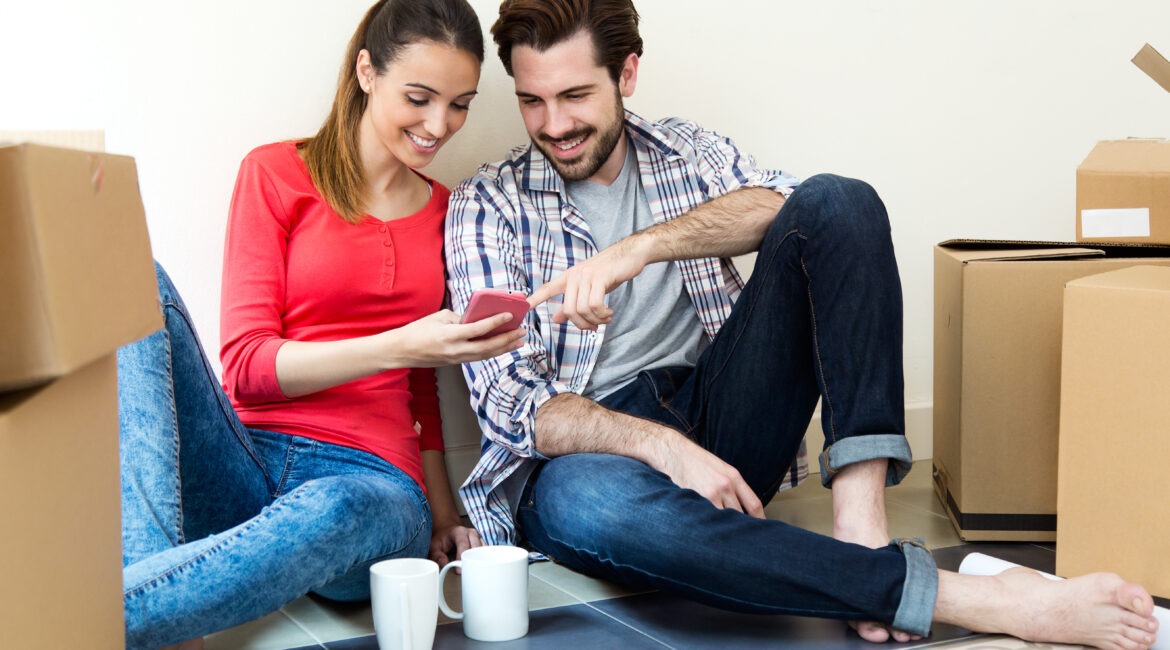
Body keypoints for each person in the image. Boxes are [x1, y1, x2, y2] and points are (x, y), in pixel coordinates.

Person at [443, 1, 1161, 648]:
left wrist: (642, 247)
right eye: (532, 101)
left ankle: (862, 525)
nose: (554, 125)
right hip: (594, 458)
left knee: (841, 200)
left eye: (575, 96)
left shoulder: (685, 151)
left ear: (626, 74)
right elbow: (513, 405)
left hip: (718, 412)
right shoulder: (488, 204)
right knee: (592, 508)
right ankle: (968, 598)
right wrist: (664, 449)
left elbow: (793, 207)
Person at [115, 1, 526, 648]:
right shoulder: (274, 173)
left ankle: (109, 616)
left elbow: (422, 392)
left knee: (335, 506)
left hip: (373, 487)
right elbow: (248, 371)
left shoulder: (445, 212)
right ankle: (159, 608)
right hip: (248, 460)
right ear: (367, 71)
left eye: (459, 105)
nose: (438, 125)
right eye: (419, 98)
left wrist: (444, 513)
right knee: (132, 278)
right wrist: (399, 344)